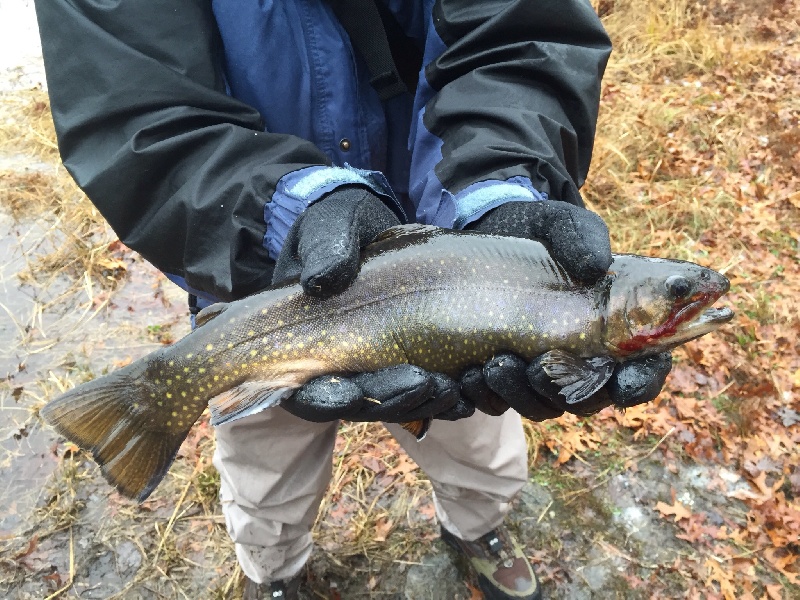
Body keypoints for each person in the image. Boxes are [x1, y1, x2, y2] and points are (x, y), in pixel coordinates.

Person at [34, 1, 672, 598]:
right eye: (675, 296)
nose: (692, 300)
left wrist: (500, 184)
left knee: (479, 441)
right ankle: (274, 570)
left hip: (452, 241)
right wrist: (282, 210)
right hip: (252, 260)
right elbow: (132, 108)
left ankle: (477, 526)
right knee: (266, 469)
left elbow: (520, 27)